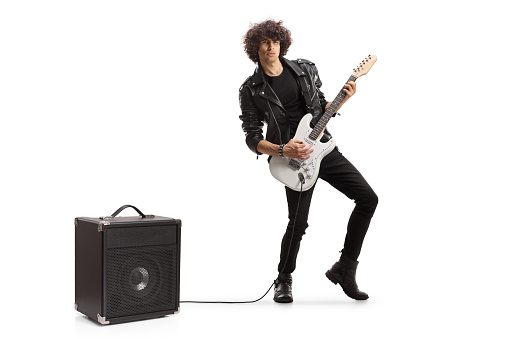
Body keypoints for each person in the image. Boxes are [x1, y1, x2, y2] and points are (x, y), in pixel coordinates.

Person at [239, 20, 378, 303]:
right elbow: (251, 136)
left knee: (368, 199)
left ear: (282, 44)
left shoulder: (305, 70)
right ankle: (284, 279)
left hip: (323, 149)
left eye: (275, 41)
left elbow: (322, 107)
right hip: (291, 160)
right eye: (264, 42)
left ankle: (345, 268)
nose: (271, 47)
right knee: (298, 223)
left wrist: (343, 100)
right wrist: (282, 150)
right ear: (256, 48)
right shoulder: (250, 89)